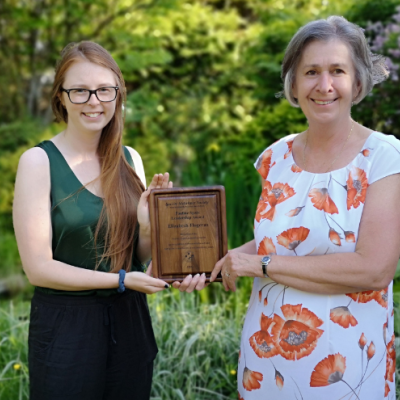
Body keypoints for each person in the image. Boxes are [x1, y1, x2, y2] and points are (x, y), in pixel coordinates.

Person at [209, 16, 400, 399]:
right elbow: (276, 242)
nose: (324, 85)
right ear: (293, 83)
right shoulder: (275, 156)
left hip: (346, 375)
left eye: (337, 71)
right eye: (311, 71)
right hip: (266, 369)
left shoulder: (383, 156)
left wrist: (260, 265)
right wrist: (216, 260)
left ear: (357, 82)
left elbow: (374, 268)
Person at [13, 41, 177, 400]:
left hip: (130, 320)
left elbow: (139, 257)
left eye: (105, 90)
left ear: (118, 95)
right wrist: (120, 279)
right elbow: (38, 269)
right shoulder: (38, 162)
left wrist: (147, 226)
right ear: (61, 97)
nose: (94, 101)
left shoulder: (130, 159)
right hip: (66, 327)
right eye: (80, 91)